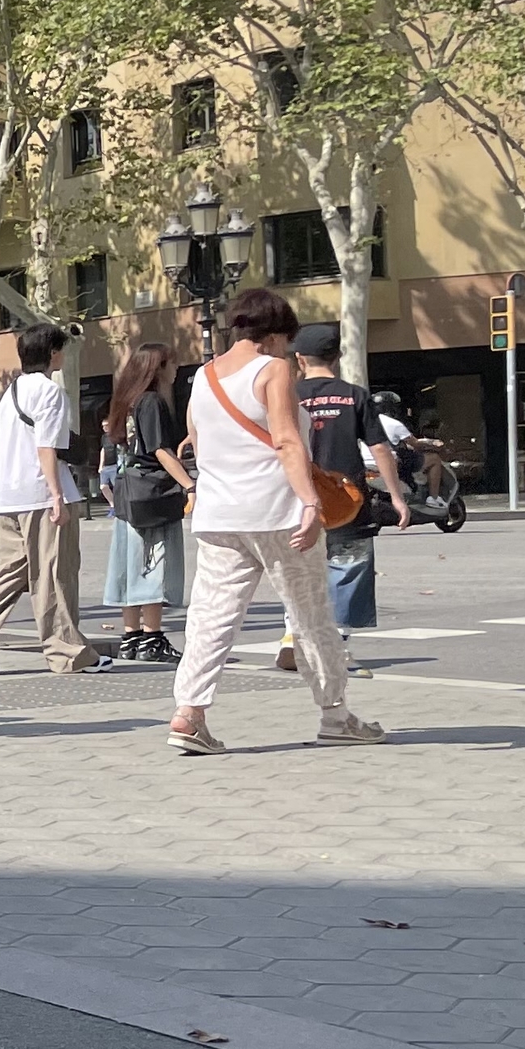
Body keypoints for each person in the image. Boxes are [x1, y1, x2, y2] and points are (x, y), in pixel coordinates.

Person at [166, 288, 383, 755]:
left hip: (219, 514)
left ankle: (189, 712)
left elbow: (198, 443)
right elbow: (287, 441)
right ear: (277, 333)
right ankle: (335, 715)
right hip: (277, 511)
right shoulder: (273, 369)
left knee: (211, 617)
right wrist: (309, 503)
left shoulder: (202, 377)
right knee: (310, 616)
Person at [0, 323, 112, 676]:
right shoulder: (50, 392)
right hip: (39, 495)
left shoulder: (11, 391)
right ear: (52, 353)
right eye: (61, 349)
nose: (64, 355)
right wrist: (55, 495)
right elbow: (46, 447)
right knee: (55, 573)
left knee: (12, 570)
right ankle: (67, 652)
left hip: (7, 497)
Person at [291, 324, 408, 638]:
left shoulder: (289, 395)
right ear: (338, 357)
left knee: (299, 568)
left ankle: (295, 632)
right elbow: (379, 448)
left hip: (296, 497)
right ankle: (337, 637)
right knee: (349, 561)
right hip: (347, 497)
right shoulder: (354, 395)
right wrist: (396, 497)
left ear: (299, 359)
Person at [101, 345, 190, 663]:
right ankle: (152, 636)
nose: (177, 369)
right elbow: (160, 450)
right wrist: (189, 484)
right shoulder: (152, 401)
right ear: (158, 368)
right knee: (153, 563)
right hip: (152, 493)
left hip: (129, 491)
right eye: (172, 363)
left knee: (129, 564)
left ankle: (131, 635)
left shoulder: (127, 401)